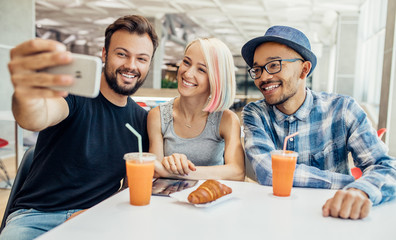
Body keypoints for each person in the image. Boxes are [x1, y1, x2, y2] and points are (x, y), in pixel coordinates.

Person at [0, 15, 158, 239]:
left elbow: (127, 191)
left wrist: (98, 215)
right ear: (104, 54)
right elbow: (35, 118)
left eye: (141, 58)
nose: (131, 66)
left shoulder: (142, 121)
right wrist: (27, 94)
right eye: (122, 54)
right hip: (36, 218)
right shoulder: (74, 95)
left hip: (95, 220)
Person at [241, 25, 396, 220]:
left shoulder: (343, 109)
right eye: (257, 69)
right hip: (276, 220)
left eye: (274, 65)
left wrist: (360, 191)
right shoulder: (255, 114)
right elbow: (270, 173)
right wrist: (352, 181)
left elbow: (386, 167)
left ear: (304, 70)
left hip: (333, 219)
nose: (263, 77)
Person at [148, 38, 245, 181]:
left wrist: (178, 171)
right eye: (186, 62)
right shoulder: (157, 116)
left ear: (216, 79)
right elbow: (154, 172)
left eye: (201, 69)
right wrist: (165, 167)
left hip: (212, 200)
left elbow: (237, 172)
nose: (187, 73)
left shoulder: (227, 120)